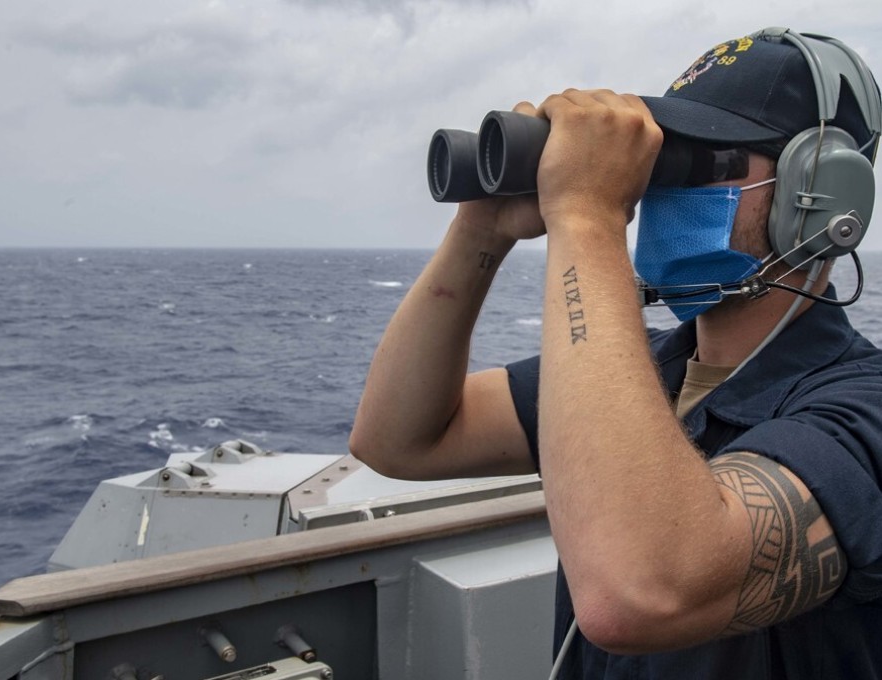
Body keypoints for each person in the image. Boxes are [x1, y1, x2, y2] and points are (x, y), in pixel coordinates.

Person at [350, 28, 882, 679]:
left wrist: (584, 214)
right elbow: (397, 439)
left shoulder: (862, 411)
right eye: (658, 163)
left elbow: (641, 593)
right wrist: (480, 228)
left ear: (822, 190)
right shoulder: (641, 373)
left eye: (708, 160)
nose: (659, 192)